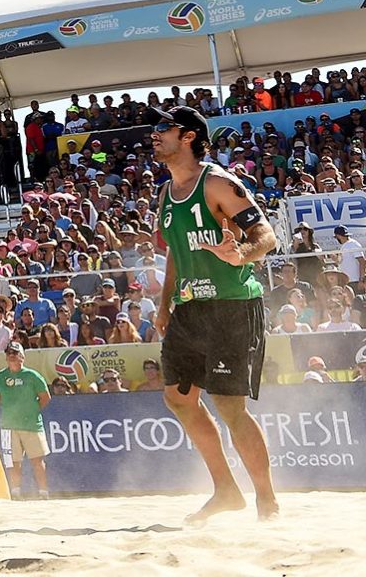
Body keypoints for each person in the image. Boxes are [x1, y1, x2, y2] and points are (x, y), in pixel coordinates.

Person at [152, 105, 279, 522]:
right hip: (190, 308)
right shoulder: (166, 193)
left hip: (232, 304)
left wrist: (240, 252)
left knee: (229, 406)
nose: (154, 134)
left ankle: (267, 500)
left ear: (188, 136)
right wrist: (164, 304)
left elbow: (267, 236)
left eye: (163, 127)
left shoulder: (218, 183)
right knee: (178, 398)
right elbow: (176, 251)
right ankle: (225, 490)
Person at [0, 343, 51, 500]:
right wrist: (11, 409)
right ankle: (16, 493)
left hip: (31, 425)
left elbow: (45, 397)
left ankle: (43, 493)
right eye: (8, 353)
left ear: (22, 356)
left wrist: (31, 410)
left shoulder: (33, 376)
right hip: (9, 425)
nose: (11, 355)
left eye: (15, 352)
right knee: (13, 462)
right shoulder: (0, 376)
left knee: (37, 461)